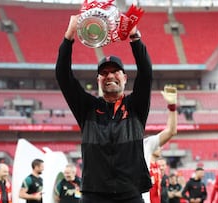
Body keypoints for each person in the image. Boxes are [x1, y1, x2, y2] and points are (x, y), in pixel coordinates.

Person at [56, 13, 152, 202]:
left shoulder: (135, 106)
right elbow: (63, 76)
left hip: (130, 193)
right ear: (98, 80)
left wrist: (134, 36)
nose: (109, 76)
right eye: (104, 73)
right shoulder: (87, 109)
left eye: (115, 71)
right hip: (94, 194)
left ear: (125, 78)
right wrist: (69, 35)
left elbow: (146, 73)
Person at [142, 85, 178, 203]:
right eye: (158, 146)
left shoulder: (156, 165)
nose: (160, 147)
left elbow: (171, 131)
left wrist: (172, 107)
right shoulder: (142, 156)